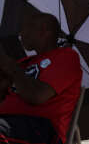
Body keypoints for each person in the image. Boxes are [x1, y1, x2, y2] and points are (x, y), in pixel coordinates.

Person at [0, 13, 82, 144]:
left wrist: (12, 68)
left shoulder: (66, 57)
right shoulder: (25, 62)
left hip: (42, 129)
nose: (20, 34)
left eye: (26, 27)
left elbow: (37, 96)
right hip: (10, 123)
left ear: (44, 30)